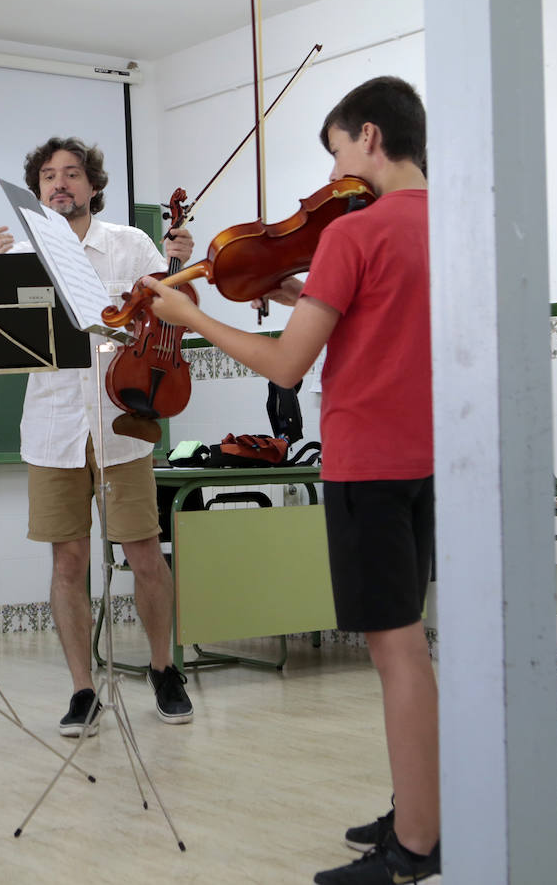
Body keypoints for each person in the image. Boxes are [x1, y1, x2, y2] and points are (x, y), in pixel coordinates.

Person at [139, 76, 438, 884]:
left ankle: (416, 846)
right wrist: (305, 293)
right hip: (428, 460)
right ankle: (420, 806)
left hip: (366, 460)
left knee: (396, 650)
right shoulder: (447, 221)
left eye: (338, 151)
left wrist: (193, 318)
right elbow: (386, 317)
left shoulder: (355, 231)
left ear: (368, 137)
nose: (334, 177)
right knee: (409, 639)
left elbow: (285, 363)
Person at [0, 136, 196, 735]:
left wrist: (180, 264)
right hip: (52, 426)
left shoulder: (130, 244)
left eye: (72, 174)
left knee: (144, 553)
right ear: (39, 189)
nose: (60, 184)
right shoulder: (22, 251)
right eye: (48, 176)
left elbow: (169, 316)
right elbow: (1, 342)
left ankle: (162, 668)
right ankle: (82, 689)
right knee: (67, 561)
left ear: (93, 185)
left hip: (121, 419)